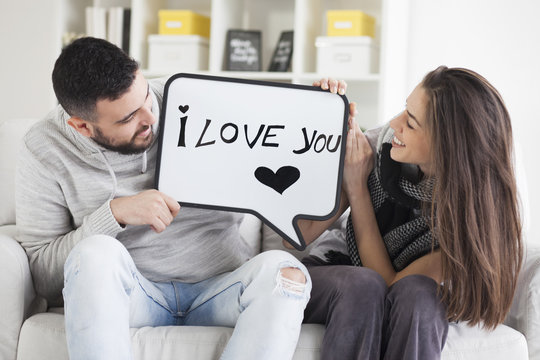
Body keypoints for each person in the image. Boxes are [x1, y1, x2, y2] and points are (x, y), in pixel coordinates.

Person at [15, 36, 312, 360]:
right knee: (94, 253)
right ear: (82, 126)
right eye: (128, 119)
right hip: (133, 295)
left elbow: (282, 143)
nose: (150, 119)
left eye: (145, 99)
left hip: (222, 287)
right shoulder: (44, 146)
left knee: (286, 272)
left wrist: (324, 110)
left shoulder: (193, 100)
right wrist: (114, 214)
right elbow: (43, 277)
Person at [295, 67, 523, 359]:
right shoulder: (381, 145)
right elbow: (298, 235)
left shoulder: (474, 219)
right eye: (405, 109)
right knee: (364, 286)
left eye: (411, 123)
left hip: (398, 291)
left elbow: (391, 287)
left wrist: (358, 190)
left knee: (418, 294)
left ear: (448, 148)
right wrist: (318, 130)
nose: (394, 122)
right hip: (336, 273)